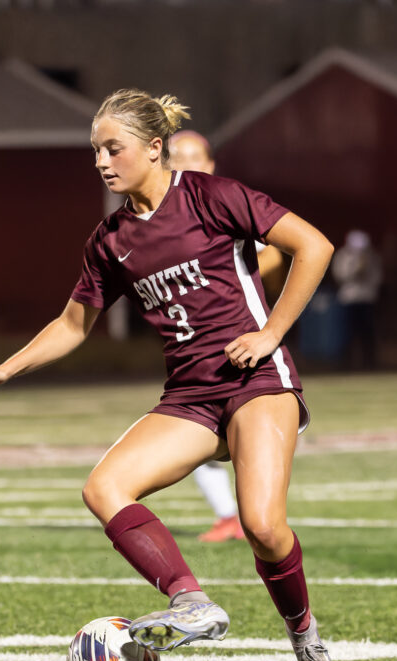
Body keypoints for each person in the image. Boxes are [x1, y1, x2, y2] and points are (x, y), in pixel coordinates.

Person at [0, 89, 338, 661]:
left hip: (256, 381)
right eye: (95, 152)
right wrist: (8, 368)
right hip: (190, 396)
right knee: (104, 487)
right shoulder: (110, 239)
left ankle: (306, 641)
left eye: (113, 148)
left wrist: (270, 333)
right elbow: (71, 325)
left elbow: (313, 246)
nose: (102, 162)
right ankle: (190, 601)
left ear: (154, 148)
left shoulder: (213, 196)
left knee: (265, 528)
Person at [169, 129, 293, 543]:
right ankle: (229, 515)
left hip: (248, 355)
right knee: (192, 441)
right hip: (196, 359)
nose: (184, 166)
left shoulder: (224, 204)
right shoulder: (162, 223)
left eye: (192, 158)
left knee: (249, 451)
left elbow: (278, 253)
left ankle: (246, 517)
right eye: (176, 159)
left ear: (210, 166)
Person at [331, 229, 381, 370]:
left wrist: (365, 272)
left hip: (367, 299)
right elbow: (339, 276)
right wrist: (355, 270)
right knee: (348, 332)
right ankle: (347, 362)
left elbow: (377, 278)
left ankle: (369, 362)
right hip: (348, 300)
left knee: (368, 332)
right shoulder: (343, 256)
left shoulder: (372, 257)